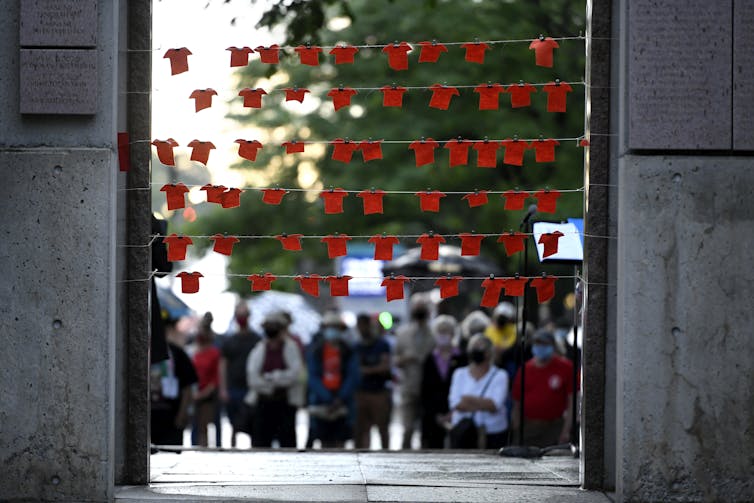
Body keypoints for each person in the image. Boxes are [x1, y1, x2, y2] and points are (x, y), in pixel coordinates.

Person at [245, 311, 304, 448]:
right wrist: (269, 385)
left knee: (287, 443)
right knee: (261, 444)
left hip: (285, 403)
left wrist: (273, 377)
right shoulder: (259, 349)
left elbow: (295, 374)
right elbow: (253, 378)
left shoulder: (291, 347)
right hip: (263, 403)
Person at [510, 330, 574, 447]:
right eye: (537, 343)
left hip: (555, 427)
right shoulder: (525, 369)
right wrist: (517, 428)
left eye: (544, 344)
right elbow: (516, 403)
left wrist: (566, 431)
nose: (540, 347)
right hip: (529, 427)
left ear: (553, 346)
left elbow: (572, 402)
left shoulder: (566, 367)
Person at [307, 311, 360, 448]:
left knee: (341, 442)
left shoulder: (348, 350)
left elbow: (352, 376)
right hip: (322, 402)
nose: (332, 331)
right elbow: (313, 377)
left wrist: (340, 397)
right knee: (324, 442)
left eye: (336, 327)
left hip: (343, 404)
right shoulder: (316, 351)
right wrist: (328, 398)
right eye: (330, 327)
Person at [448, 334, 509, 449]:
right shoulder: (459, 374)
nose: (475, 351)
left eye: (479, 348)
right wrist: (483, 403)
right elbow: (455, 404)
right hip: (464, 432)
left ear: (489, 352)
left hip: (493, 433)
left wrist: (467, 399)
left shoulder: (500, 375)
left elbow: (495, 405)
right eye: (472, 348)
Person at [150, 316, 197, 448]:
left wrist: (182, 414)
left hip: (171, 418)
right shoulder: (143, 352)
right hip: (148, 418)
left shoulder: (177, 353)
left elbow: (188, 386)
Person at [394, 295, 435, 448]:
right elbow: (395, 360)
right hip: (409, 387)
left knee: (427, 430)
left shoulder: (434, 334)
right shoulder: (402, 333)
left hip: (429, 389)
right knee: (408, 428)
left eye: (422, 309)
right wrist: (406, 359)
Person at [420, 315, 466, 448]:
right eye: (440, 331)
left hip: (457, 413)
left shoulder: (462, 358)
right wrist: (436, 415)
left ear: (453, 333)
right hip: (433, 415)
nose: (443, 335)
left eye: (446, 331)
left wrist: (453, 413)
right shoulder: (429, 359)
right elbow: (424, 390)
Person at [219, 301, 261, 447]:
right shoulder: (230, 340)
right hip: (233, 387)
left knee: (251, 421)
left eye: (244, 315)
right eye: (239, 315)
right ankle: (232, 447)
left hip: (251, 387)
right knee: (233, 422)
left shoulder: (257, 339)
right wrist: (223, 388)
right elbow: (223, 364)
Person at [353, 313, 392, 449]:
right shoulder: (356, 346)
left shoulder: (382, 344)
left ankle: (386, 455)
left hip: (379, 392)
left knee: (383, 429)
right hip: (361, 392)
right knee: (361, 430)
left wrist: (366, 370)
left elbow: (385, 366)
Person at [191, 313, 221, 447]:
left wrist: (203, 394)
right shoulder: (195, 352)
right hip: (195, 393)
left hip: (207, 395)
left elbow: (215, 377)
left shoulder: (214, 353)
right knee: (196, 427)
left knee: (205, 426)